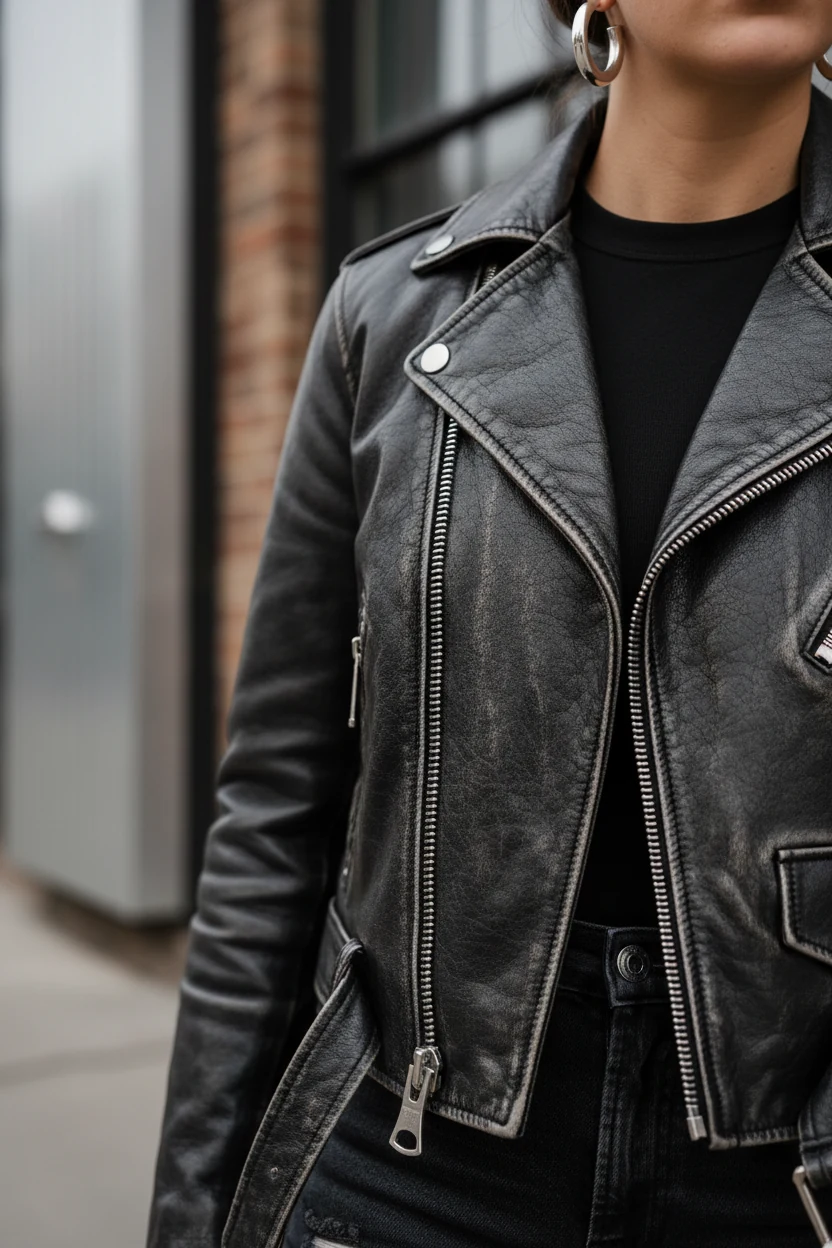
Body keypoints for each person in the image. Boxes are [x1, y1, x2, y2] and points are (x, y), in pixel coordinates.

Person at [147, 2, 832, 1245]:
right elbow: (277, 811)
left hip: (793, 1164)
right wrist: (192, 1209)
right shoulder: (393, 318)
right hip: (414, 1144)